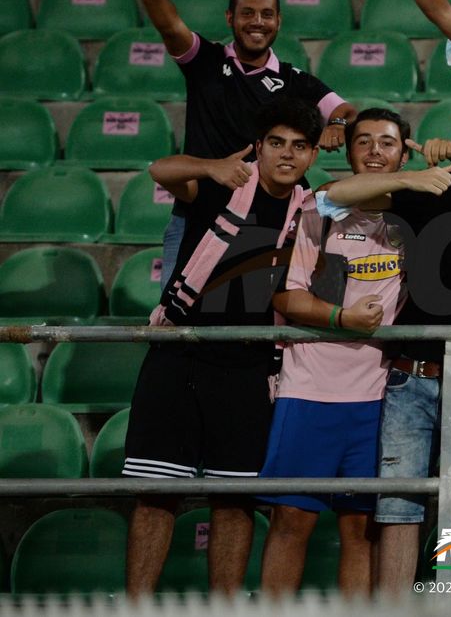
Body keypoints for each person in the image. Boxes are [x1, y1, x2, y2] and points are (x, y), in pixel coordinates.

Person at [122, 97, 322, 597]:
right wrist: (211, 165)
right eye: (276, 143)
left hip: (248, 365)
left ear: (313, 155)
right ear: (259, 146)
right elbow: (160, 169)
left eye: (299, 146)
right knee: (154, 495)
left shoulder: (311, 211)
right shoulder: (223, 185)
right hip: (178, 354)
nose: (287, 154)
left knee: (234, 501)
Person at [323, 82, 451, 595]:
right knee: (398, 507)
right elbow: (331, 198)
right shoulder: (430, 185)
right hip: (412, 374)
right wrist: (412, 175)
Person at [258, 109, 414, 599]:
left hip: (380, 396)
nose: (374, 151)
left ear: (404, 155)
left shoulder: (417, 218)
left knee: (361, 529)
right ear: (347, 152)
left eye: (387, 142)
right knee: (290, 520)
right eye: (363, 141)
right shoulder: (318, 211)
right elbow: (286, 295)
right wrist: (342, 318)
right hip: (309, 390)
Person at [122, 0, 357, 284]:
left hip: (265, 222)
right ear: (230, 18)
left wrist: (337, 124)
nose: (257, 22)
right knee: (176, 312)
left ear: (278, 21)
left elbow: (346, 110)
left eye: (266, 14)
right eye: (247, 13)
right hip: (197, 215)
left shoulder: (295, 80)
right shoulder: (205, 61)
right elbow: (171, 27)